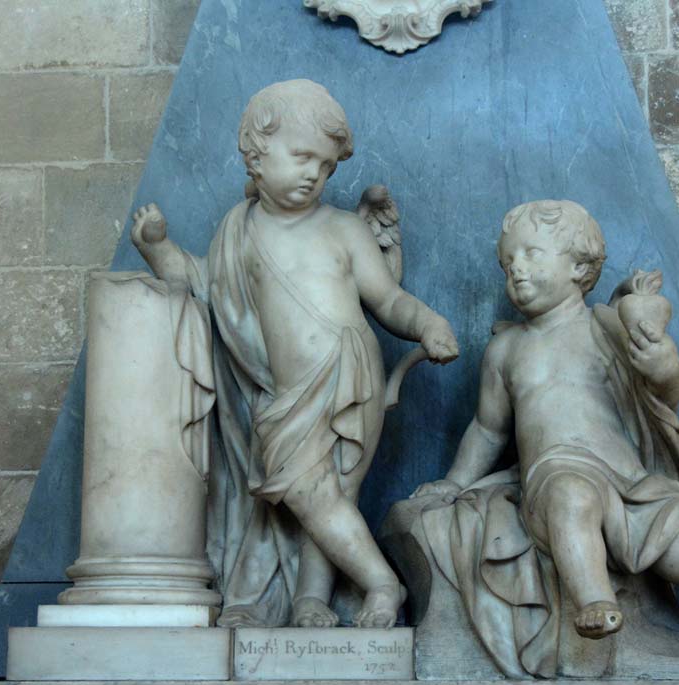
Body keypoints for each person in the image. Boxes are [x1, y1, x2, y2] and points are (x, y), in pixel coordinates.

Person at [131, 79, 458, 628]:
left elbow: (388, 299)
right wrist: (158, 247)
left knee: (330, 493)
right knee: (313, 494)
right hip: (284, 392)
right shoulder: (238, 231)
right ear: (256, 155)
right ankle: (339, 592)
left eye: (326, 166)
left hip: (351, 375)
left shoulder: (344, 229)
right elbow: (206, 290)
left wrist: (427, 323)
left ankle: (362, 588)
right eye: (303, 157)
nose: (314, 174)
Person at [415, 200, 679, 656]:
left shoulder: (604, 328)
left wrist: (662, 366)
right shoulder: (506, 349)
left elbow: (661, 394)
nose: (515, 269)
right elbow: (488, 430)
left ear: (579, 267)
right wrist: (455, 482)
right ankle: (594, 601)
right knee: (571, 498)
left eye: (531, 254)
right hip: (554, 473)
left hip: (630, 482)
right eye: (507, 262)